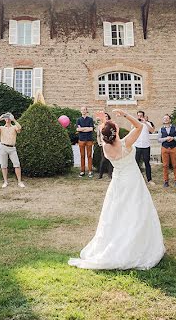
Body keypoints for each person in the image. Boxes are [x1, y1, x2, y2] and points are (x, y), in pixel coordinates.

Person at [68, 109, 165, 270]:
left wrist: (103, 122)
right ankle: (136, 245)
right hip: (132, 181)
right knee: (136, 210)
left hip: (118, 182)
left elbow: (103, 132)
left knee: (116, 212)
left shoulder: (106, 147)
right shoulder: (125, 143)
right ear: (116, 131)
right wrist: (125, 114)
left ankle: (116, 241)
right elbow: (139, 127)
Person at [0, 113, 25, 188]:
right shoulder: (1, 128)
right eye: (6, 118)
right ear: (5, 119)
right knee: (4, 166)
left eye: (9, 117)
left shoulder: (14, 127)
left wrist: (14, 119)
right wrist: (0, 118)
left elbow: (19, 127)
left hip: (12, 148)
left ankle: (19, 182)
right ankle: (5, 182)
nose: (7, 119)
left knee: (17, 165)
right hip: (3, 147)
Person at [158, 114, 176, 187]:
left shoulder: (175, 128)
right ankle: (166, 181)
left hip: (173, 148)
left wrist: (173, 138)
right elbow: (159, 140)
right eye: (164, 118)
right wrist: (165, 138)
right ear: (163, 120)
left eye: (167, 118)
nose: (165, 119)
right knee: (165, 165)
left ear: (170, 120)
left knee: (175, 165)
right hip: (164, 148)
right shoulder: (160, 129)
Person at [133, 110, 156, 185]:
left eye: (141, 116)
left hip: (146, 146)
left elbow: (152, 130)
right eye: (138, 116)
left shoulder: (148, 123)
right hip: (137, 146)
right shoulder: (135, 123)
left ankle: (149, 179)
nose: (139, 117)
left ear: (143, 116)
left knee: (147, 163)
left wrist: (145, 122)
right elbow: (132, 131)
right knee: (136, 163)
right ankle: (136, 179)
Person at [76, 106, 95, 178]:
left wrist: (82, 129)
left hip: (89, 140)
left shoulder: (90, 119)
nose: (83, 111)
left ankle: (90, 171)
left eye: (84, 110)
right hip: (81, 140)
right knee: (82, 156)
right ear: (80, 111)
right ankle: (82, 171)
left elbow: (91, 129)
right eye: (82, 110)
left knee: (89, 156)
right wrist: (85, 128)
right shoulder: (78, 120)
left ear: (86, 111)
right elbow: (78, 129)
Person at [94, 110, 113, 179]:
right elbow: (98, 135)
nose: (106, 118)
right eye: (104, 117)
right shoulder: (100, 126)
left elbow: (113, 134)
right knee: (103, 160)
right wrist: (99, 142)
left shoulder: (111, 125)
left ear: (108, 118)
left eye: (107, 116)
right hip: (103, 145)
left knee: (110, 159)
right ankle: (100, 175)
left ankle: (110, 174)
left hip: (110, 144)